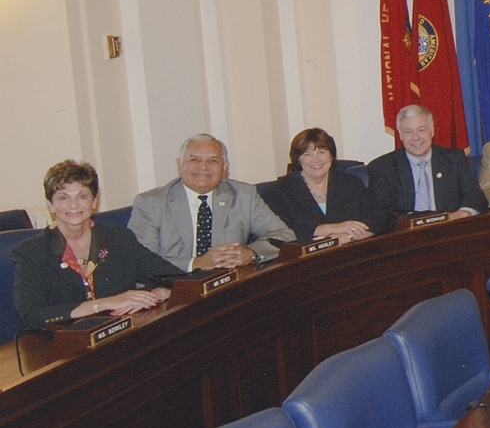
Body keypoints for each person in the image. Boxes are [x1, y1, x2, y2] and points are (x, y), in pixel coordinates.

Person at [13, 161, 183, 330]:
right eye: (63, 198)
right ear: (50, 205)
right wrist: (105, 303)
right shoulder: (31, 252)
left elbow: (179, 279)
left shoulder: (119, 239)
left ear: (94, 201)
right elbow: (32, 315)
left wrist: (155, 296)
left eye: (82, 196)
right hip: (61, 339)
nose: (74, 205)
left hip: (118, 333)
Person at [129, 134, 292, 271]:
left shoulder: (243, 195)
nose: (203, 167)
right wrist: (197, 263)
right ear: (180, 165)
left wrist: (251, 254)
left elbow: (284, 234)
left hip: (228, 283)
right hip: (174, 285)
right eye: (194, 160)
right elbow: (141, 261)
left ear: (225, 167)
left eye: (213, 161)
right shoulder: (151, 203)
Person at [260, 128, 391, 244]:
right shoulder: (279, 191)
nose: (316, 159)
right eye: (307, 154)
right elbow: (281, 233)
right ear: (298, 159)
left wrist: (349, 236)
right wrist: (333, 228)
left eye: (322, 152)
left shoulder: (350, 183)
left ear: (331, 155)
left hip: (350, 253)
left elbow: (380, 219)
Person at [368, 105, 487, 220]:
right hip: (406, 231)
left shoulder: (453, 159)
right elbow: (382, 214)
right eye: (408, 132)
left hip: (449, 228)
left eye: (421, 130)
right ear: (400, 135)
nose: (416, 137)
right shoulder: (382, 168)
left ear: (432, 131)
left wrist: (462, 213)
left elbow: (475, 196)